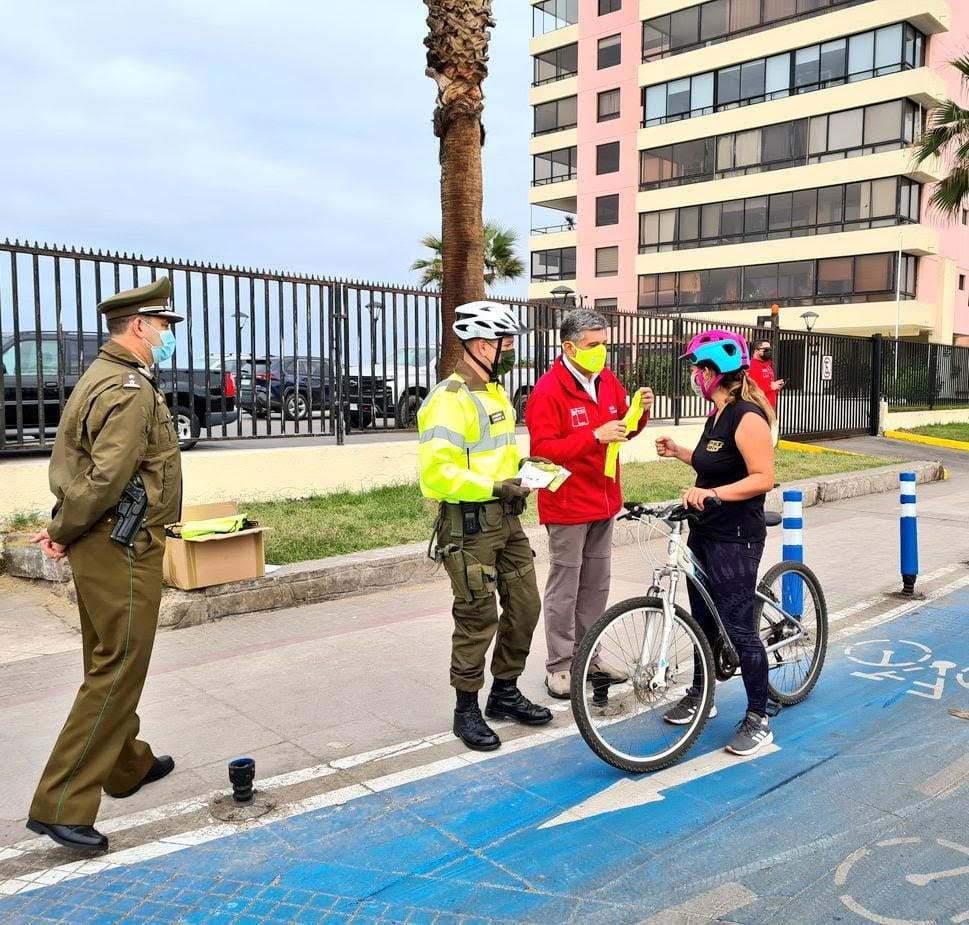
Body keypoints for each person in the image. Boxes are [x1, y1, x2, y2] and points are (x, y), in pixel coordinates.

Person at [27, 277, 183, 853]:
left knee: (109, 657)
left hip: (100, 539)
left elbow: (82, 463)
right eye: (163, 326)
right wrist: (62, 529)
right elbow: (107, 475)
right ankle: (61, 805)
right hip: (122, 545)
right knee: (117, 666)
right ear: (139, 326)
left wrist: (65, 526)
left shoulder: (103, 376)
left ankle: (126, 765)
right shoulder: (128, 387)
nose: (167, 335)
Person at [417, 301, 552, 752]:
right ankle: (466, 709)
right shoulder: (449, 399)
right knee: (477, 617)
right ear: (480, 344)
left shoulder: (494, 392)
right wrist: (495, 486)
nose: (511, 349)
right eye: (505, 342)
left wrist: (525, 471)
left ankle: (505, 693)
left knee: (526, 606)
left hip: (507, 519)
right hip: (470, 524)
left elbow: (492, 454)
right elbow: (437, 474)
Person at [654, 330, 776, 757]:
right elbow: (716, 462)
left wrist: (714, 494)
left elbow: (763, 478)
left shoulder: (747, 417)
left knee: (739, 626)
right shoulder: (717, 416)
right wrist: (680, 452)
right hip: (704, 529)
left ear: (712, 373)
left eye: (696, 369)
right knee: (703, 620)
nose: (693, 376)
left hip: (736, 535)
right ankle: (701, 695)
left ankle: (759, 717)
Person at [525, 309, 653, 698]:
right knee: (565, 588)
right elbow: (542, 450)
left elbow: (621, 429)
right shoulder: (548, 391)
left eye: (604, 344)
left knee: (596, 587)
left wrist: (639, 413)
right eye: (593, 345)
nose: (602, 351)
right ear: (569, 347)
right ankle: (560, 666)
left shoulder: (607, 380)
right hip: (567, 504)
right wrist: (594, 436)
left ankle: (590, 657)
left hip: (603, 499)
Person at [749, 340, 784, 444]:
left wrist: (776, 387)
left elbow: (768, 385)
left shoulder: (768, 366)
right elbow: (750, 387)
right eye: (766, 349)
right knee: (758, 433)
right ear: (756, 351)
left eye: (770, 349)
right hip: (758, 405)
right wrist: (770, 387)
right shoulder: (751, 366)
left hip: (769, 405)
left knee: (768, 433)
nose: (769, 352)